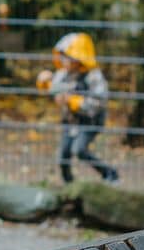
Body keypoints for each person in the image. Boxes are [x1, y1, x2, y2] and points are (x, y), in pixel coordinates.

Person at [37, 32, 118, 184]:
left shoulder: (94, 76)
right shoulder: (64, 73)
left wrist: (73, 101)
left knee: (79, 150)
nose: (63, 60)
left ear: (79, 58)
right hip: (70, 122)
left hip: (90, 122)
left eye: (66, 57)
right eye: (62, 56)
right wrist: (44, 81)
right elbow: (54, 88)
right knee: (63, 155)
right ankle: (69, 185)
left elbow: (98, 103)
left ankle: (110, 173)